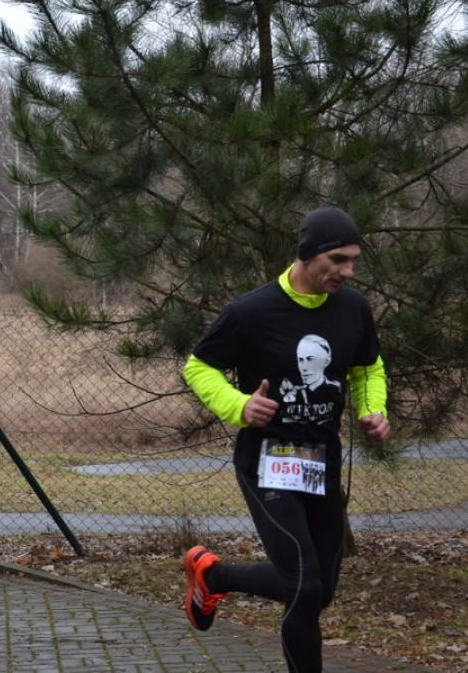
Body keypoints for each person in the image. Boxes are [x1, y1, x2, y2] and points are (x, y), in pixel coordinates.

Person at [181, 206, 391, 673]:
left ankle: (214, 575)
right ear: (309, 254)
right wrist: (239, 406)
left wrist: (372, 408)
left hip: (321, 463)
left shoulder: (353, 308)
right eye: (339, 260)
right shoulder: (250, 311)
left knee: (323, 589)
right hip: (266, 461)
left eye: (354, 260)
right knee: (302, 585)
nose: (348, 271)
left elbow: (367, 369)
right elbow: (199, 367)